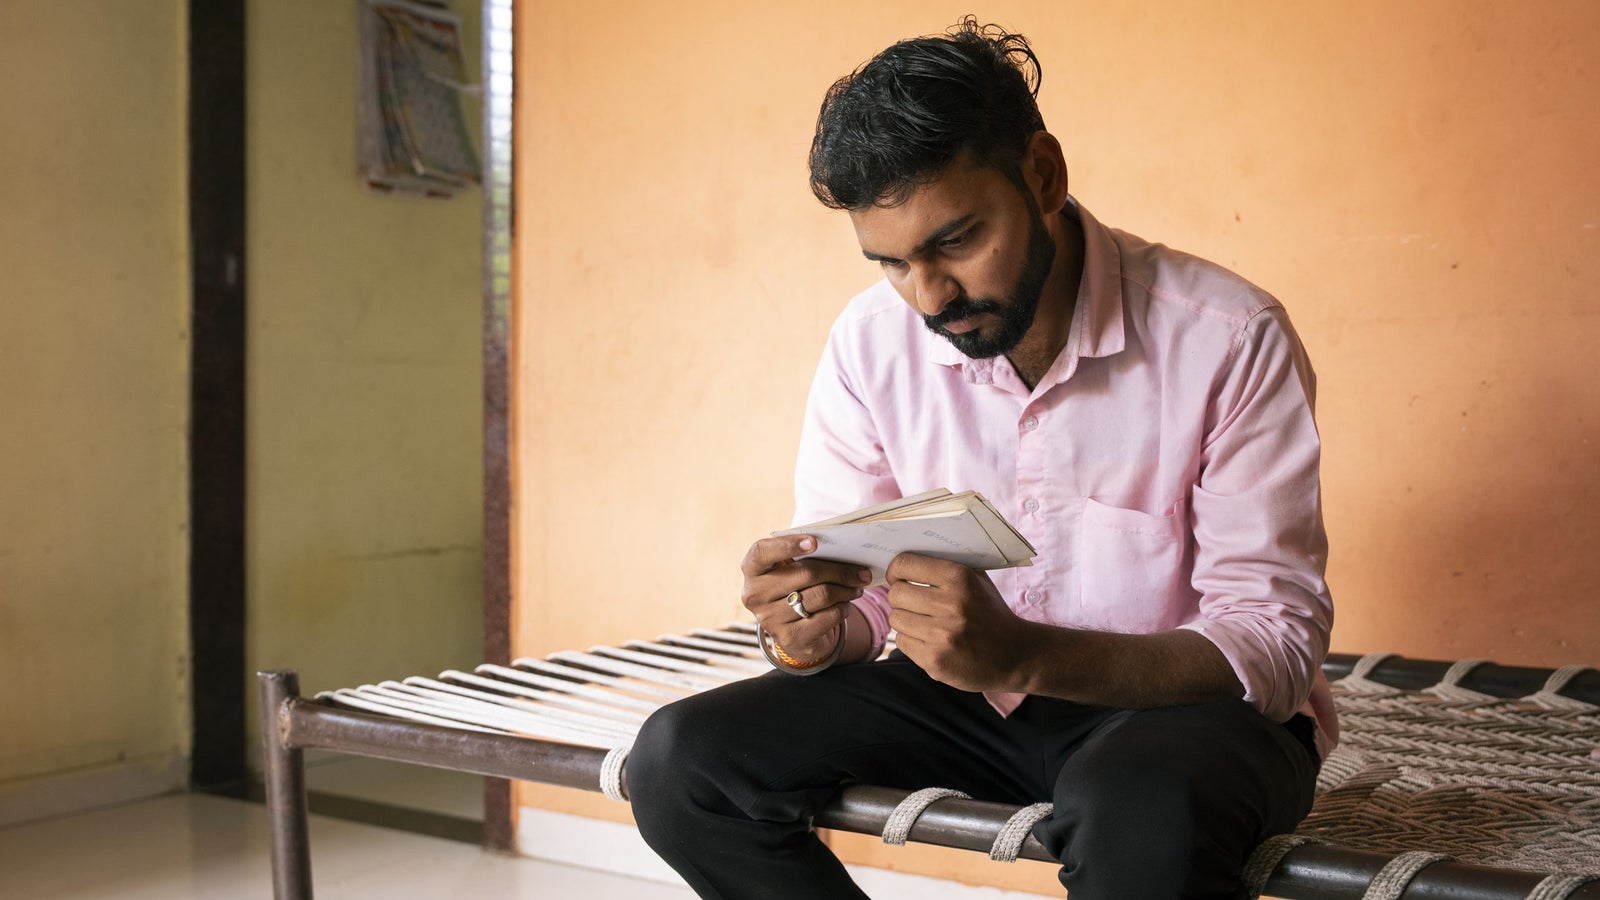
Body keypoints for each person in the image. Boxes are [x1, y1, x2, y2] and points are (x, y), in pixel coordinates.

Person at [627, 17, 1335, 900]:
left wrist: (1022, 655)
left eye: (955, 241)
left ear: (1042, 175)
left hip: (1181, 720)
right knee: (677, 762)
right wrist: (814, 629)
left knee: (1138, 812)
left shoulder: (1226, 336)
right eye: (891, 263)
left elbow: (1274, 642)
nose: (929, 295)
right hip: (965, 703)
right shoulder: (868, 345)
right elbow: (872, 599)